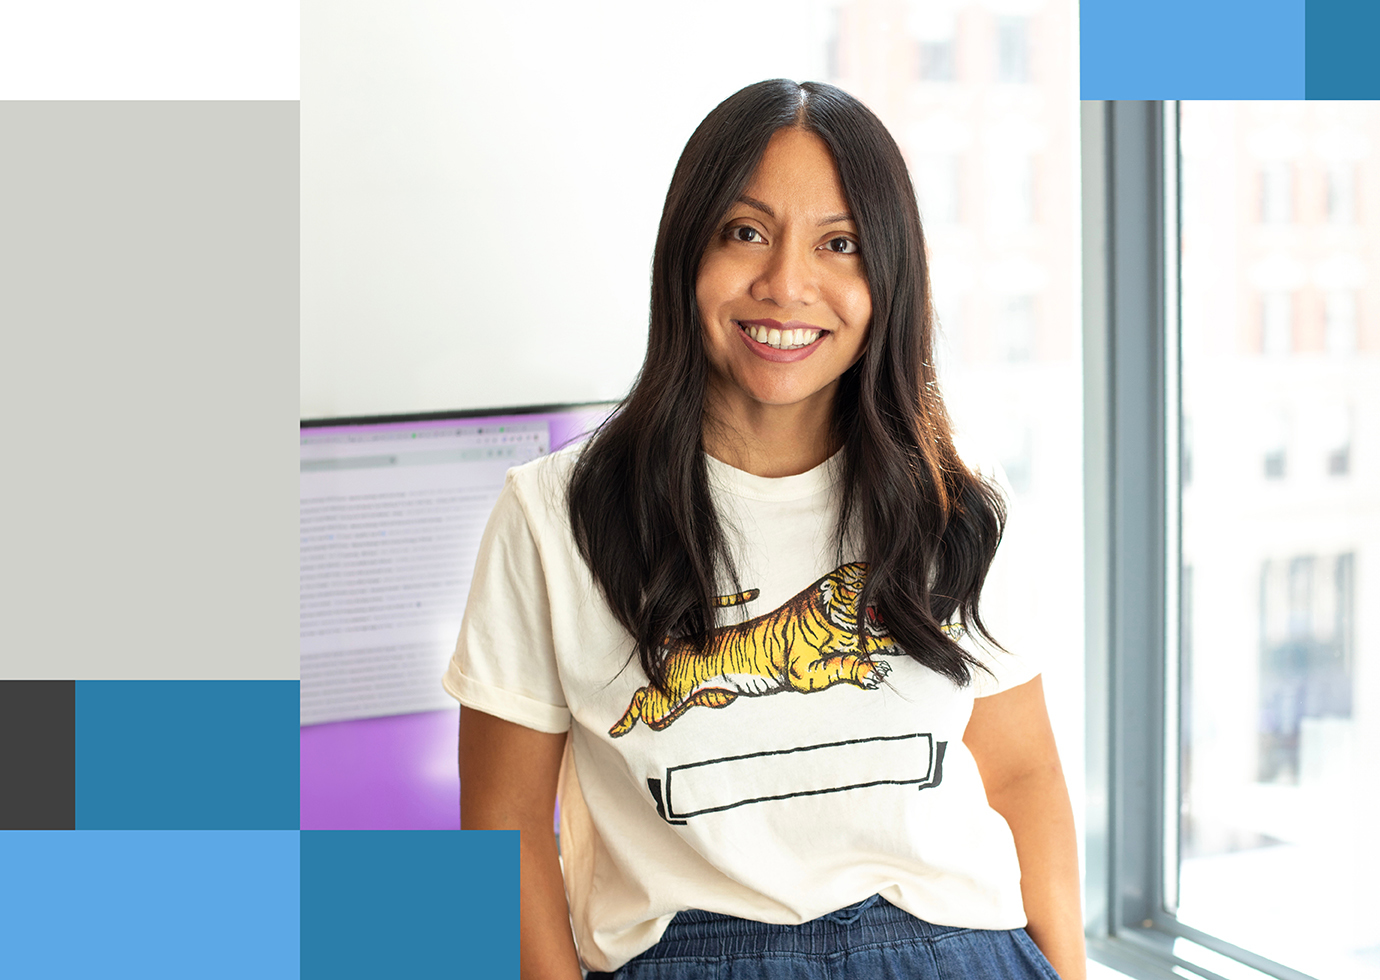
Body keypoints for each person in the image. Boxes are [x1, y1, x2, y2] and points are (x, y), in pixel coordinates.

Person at [448, 79, 1085, 980]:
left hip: (957, 949)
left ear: (888, 276)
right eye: (746, 233)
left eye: (840, 245)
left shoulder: (957, 508)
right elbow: (503, 831)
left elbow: (1022, 779)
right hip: (689, 952)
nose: (787, 285)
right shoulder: (556, 517)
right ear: (687, 254)